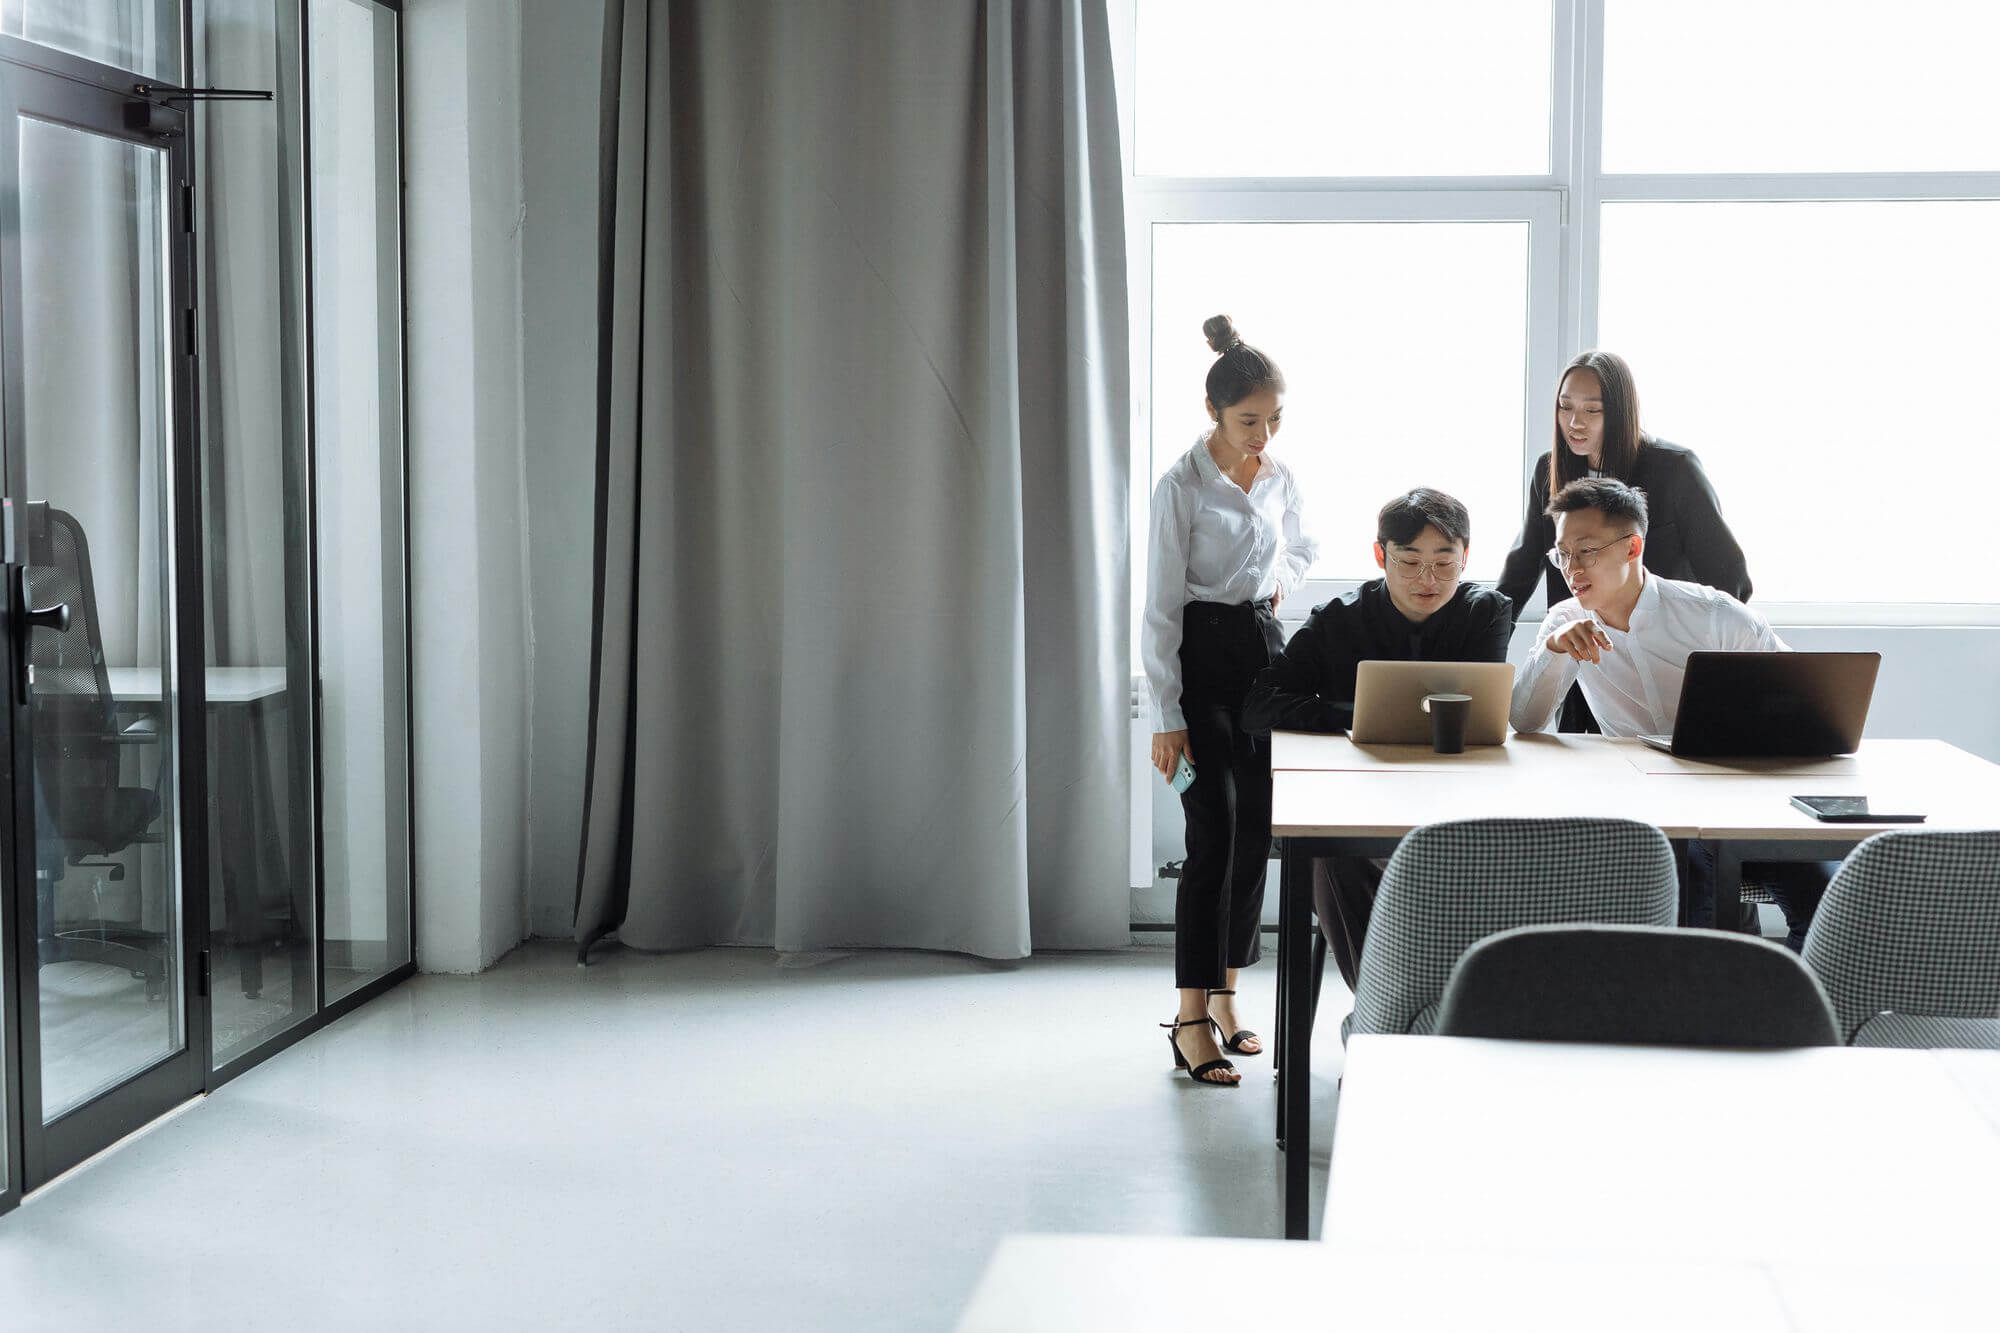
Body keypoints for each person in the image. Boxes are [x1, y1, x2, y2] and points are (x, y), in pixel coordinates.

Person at [1511, 476, 1828, 949]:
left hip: (1739, 800)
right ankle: (1695, 1010)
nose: (1571, 568)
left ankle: (1787, 1013)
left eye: (1587, 551)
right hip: (1648, 810)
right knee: (1689, 906)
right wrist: (1554, 652)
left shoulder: (1714, 616)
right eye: (1562, 554)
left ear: (1632, 546)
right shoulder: (1564, 622)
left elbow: (1809, 699)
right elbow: (1524, 719)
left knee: (1830, 904)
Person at [1240, 488, 1512, 990]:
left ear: (1466, 558)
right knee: (1333, 855)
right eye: (1409, 562)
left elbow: (1482, 712)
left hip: (1455, 793)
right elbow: (1259, 705)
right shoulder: (1340, 618)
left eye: (1444, 563)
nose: (1427, 580)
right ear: (1380, 554)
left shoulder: (1486, 612)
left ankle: (1460, 999)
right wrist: (1353, 716)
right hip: (1356, 791)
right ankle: (1385, 1010)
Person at [1143, 314, 1317, 1087]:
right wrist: (1166, 716)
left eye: (1275, 418)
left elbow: (1303, 545)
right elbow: (1158, 608)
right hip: (1198, 659)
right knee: (1212, 828)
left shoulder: (1280, 476)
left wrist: (1283, 582)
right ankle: (1186, 1018)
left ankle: (1226, 997)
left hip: (1263, 655)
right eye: (1251, 420)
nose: (1264, 434)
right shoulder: (1180, 486)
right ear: (1213, 411)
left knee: (1256, 837)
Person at [1497, 351, 1751, 735]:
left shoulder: (1674, 468)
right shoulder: (1549, 469)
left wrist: (1697, 659)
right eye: (1565, 408)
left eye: (1592, 411)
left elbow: (1730, 578)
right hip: (1586, 649)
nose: (1574, 423)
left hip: (1666, 651)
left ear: (1619, 411)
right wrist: (1483, 650)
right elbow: (1522, 566)